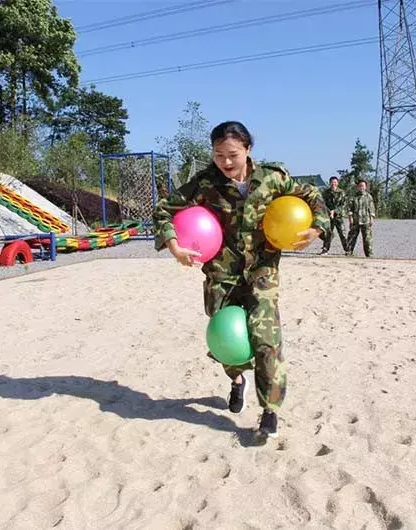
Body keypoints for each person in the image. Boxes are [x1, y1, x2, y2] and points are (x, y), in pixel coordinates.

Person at [152, 121, 329, 439]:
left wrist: (317, 227)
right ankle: (236, 379)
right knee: (224, 340)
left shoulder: (273, 179)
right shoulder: (206, 183)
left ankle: (269, 411)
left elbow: (313, 195)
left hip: (262, 272)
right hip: (221, 274)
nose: (226, 162)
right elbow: (164, 209)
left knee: (266, 341)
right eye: (219, 155)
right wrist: (174, 244)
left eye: (232, 154)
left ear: (248, 150)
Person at [346, 179, 376, 257]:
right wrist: (350, 220)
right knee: (352, 237)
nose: (361, 187)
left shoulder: (369, 196)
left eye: (363, 186)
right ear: (357, 187)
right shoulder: (353, 197)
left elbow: (371, 209)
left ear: (365, 187)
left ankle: (369, 254)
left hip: (366, 220)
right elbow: (349, 209)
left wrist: (372, 219)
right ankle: (349, 252)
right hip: (356, 220)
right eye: (360, 186)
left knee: (367, 239)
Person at [319, 175, 348, 255]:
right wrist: (329, 212)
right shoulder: (326, 193)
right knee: (328, 233)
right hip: (328, 217)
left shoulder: (342, 193)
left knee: (342, 233)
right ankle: (325, 250)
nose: (333, 184)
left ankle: (347, 250)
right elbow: (323, 204)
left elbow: (343, 205)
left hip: (338, 216)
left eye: (335, 182)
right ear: (329, 183)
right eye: (332, 182)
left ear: (337, 183)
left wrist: (334, 211)